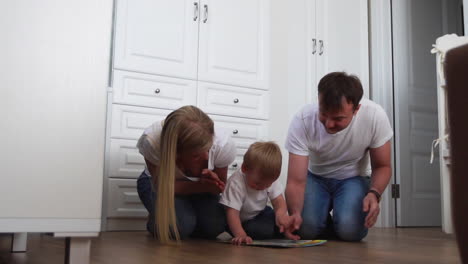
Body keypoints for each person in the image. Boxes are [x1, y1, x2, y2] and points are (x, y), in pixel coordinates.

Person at [284, 72, 393, 241]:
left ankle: (339, 219)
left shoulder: (375, 116)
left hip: (353, 178)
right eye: (323, 114)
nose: (328, 124)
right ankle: (322, 219)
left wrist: (374, 194)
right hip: (316, 177)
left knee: (350, 231)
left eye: (338, 118)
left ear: (356, 109)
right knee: (304, 229)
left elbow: (382, 166)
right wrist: (296, 214)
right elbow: (296, 181)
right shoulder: (303, 119)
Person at [136, 105, 236, 243]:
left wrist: (214, 184)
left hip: (194, 187)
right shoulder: (152, 141)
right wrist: (202, 186)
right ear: (177, 153)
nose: (207, 157)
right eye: (196, 155)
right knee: (181, 227)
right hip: (158, 185)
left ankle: (182, 217)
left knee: (215, 227)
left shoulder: (223, 144)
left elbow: (219, 188)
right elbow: (163, 186)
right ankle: (160, 221)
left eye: (208, 148)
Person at [219, 141, 295, 245]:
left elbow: (279, 202)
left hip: (259, 213)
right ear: (245, 169)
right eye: (257, 183)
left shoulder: (269, 178)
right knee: (258, 230)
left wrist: (281, 216)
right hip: (238, 220)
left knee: (278, 220)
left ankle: (284, 231)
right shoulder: (236, 183)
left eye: (267, 184)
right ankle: (270, 232)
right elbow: (232, 213)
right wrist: (240, 235)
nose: (262, 187)